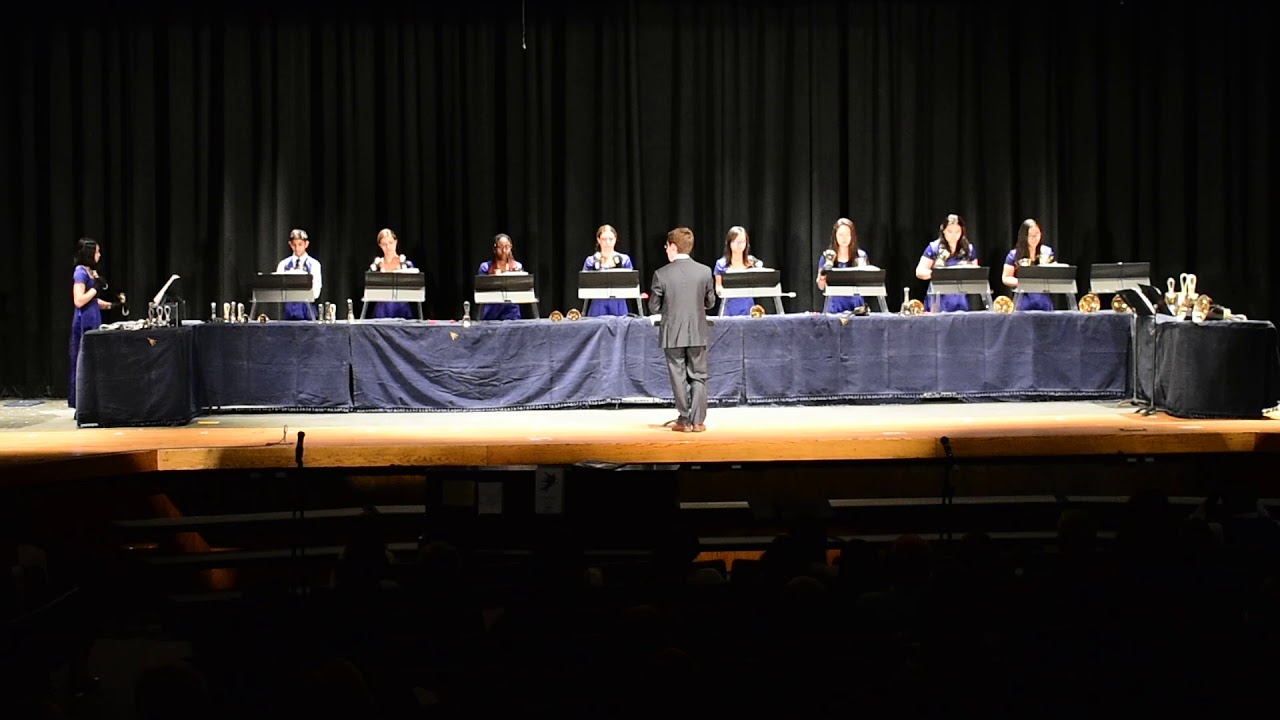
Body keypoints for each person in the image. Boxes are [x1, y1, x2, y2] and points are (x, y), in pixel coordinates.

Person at [648, 227, 716, 433]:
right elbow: (710, 302)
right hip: (697, 331)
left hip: (672, 333)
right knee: (699, 375)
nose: (666, 250)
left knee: (678, 376)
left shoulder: (661, 274)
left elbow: (653, 307)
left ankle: (684, 420)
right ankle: (698, 421)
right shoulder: (705, 271)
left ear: (673, 247)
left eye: (667, 247)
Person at [69, 237, 116, 408]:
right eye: (97, 252)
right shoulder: (80, 272)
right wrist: (96, 287)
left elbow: (93, 301)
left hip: (93, 319)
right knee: (83, 361)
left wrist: (113, 305)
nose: (99, 255)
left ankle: (91, 400)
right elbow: (79, 300)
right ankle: (80, 401)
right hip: (84, 322)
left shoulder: (89, 272)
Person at [915, 213, 978, 312]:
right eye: (950, 231)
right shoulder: (934, 247)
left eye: (957, 232)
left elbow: (976, 273)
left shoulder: (968, 249)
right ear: (943, 231)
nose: (953, 236)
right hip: (938, 297)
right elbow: (919, 272)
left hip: (960, 297)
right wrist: (940, 274)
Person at [815, 217, 869, 313]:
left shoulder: (861, 256)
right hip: (835, 306)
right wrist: (822, 277)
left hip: (856, 305)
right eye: (841, 235)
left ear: (852, 236)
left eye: (847, 234)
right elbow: (821, 286)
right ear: (835, 236)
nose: (844, 238)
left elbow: (865, 283)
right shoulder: (827, 256)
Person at [1001, 218, 1055, 311]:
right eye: (1031, 236)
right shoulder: (1014, 254)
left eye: (1037, 234)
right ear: (1024, 236)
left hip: (1043, 298)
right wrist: (1024, 283)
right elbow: (1006, 278)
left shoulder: (1047, 252)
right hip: (1023, 297)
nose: (1035, 238)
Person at [582, 224, 635, 317]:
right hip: (598, 304)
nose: (607, 242)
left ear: (615, 239)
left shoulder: (624, 259)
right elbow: (584, 286)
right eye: (604, 239)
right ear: (598, 240)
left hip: (618, 304)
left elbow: (632, 284)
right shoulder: (591, 261)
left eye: (611, 239)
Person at [368, 228, 416, 319]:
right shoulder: (376, 266)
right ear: (380, 245)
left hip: (402, 309)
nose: (388, 247)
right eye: (384, 244)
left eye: (390, 243)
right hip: (382, 310)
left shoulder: (406, 264)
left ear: (396, 242)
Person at [274, 229, 322, 320]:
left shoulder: (314, 264)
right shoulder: (283, 264)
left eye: (300, 244)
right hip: (288, 310)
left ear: (306, 244)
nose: (297, 248)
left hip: (307, 308)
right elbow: (278, 289)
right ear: (290, 244)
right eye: (294, 245)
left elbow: (316, 291)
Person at [714, 226, 762, 316]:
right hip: (729, 308)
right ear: (729, 243)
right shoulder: (721, 264)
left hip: (748, 307)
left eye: (743, 241)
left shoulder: (751, 263)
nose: (740, 245)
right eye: (736, 241)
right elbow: (718, 287)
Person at [477, 234, 524, 321]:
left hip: (511, 312)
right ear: (494, 249)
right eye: (501, 247)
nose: (504, 250)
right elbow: (482, 290)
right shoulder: (485, 267)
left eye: (507, 247)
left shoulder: (517, 266)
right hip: (491, 311)